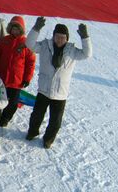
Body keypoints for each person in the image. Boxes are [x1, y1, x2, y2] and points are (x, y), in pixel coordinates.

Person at [25, 18, 92, 149]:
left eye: (62, 37)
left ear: (67, 38)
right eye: (57, 37)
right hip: (44, 89)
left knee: (55, 121)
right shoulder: (45, 45)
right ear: (53, 36)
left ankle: (48, 140)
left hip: (60, 93)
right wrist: (36, 28)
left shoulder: (72, 50)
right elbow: (29, 44)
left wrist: (85, 37)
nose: (59, 40)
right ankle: (32, 132)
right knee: (37, 115)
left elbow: (87, 54)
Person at [0, 16, 36, 127]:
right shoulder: (4, 41)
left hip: (16, 80)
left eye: (17, 29)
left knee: (13, 103)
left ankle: (6, 118)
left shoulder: (27, 43)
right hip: (2, 78)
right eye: (13, 28)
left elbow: (30, 63)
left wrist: (27, 78)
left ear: (21, 30)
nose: (15, 31)